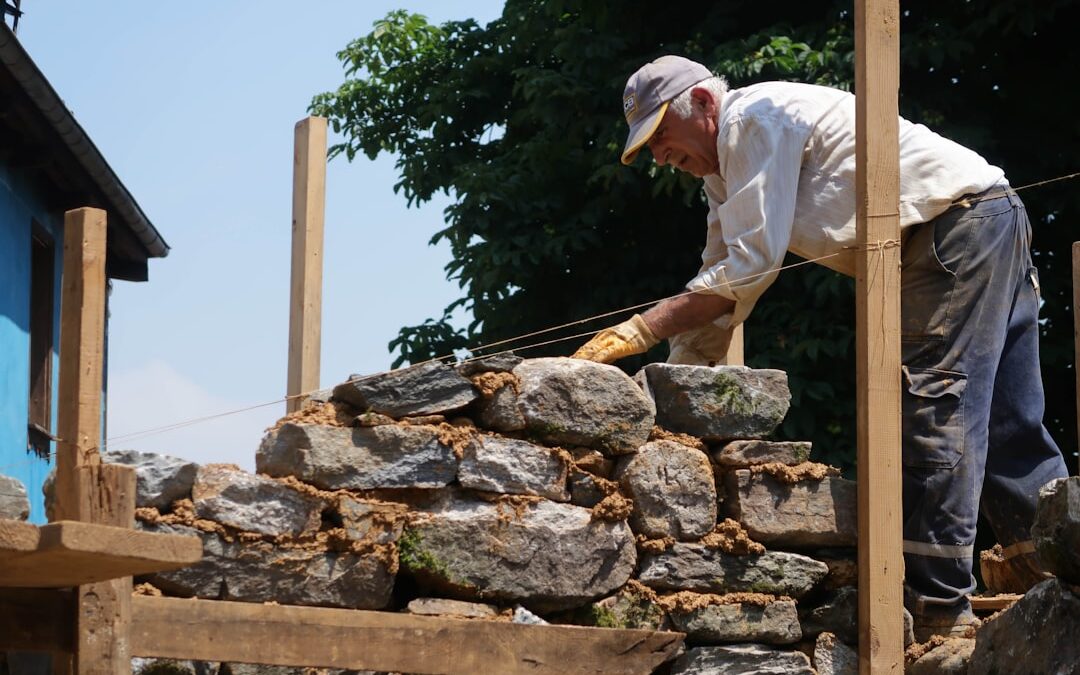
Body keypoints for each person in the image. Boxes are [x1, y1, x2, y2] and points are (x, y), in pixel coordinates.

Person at [572, 54, 1069, 640]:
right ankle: (1060, 575)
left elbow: (748, 270)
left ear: (703, 102)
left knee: (937, 409)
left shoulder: (750, 121)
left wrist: (639, 330)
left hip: (955, 229)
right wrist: (670, 395)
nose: (658, 156)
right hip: (986, 216)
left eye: (660, 135)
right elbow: (719, 276)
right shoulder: (722, 171)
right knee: (1009, 422)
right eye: (649, 146)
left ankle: (938, 613)